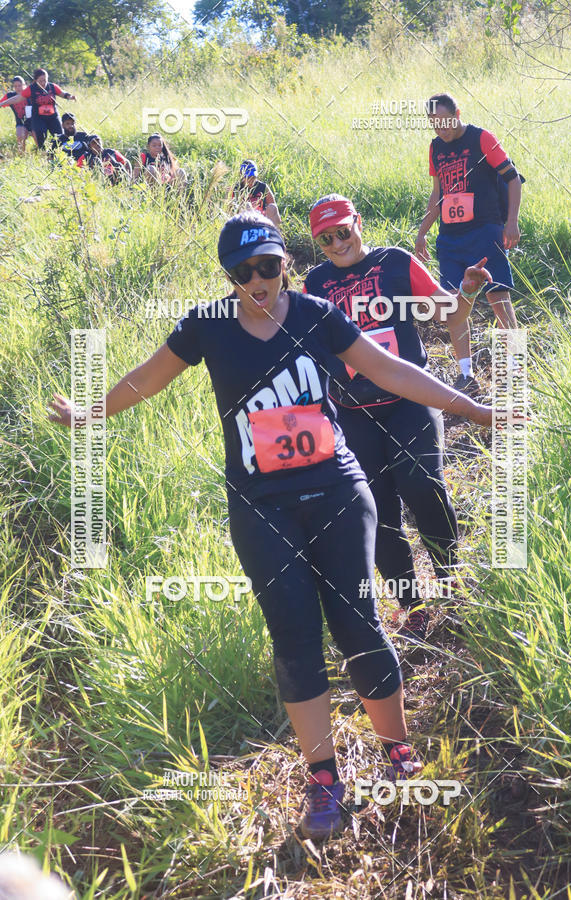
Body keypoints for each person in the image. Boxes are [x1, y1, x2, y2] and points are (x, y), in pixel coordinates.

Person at [49, 212, 492, 841]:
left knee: (356, 619)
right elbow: (146, 378)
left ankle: (396, 752)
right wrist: (90, 413)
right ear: (228, 275)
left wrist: (471, 407)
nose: (259, 280)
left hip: (339, 487)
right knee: (293, 634)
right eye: (243, 271)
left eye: (269, 265)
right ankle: (323, 777)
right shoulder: (206, 326)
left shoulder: (317, 315)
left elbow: (389, 370)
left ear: (286, 261)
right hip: (262, 504)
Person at [305, 194, 492, 640]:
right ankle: (411, 605)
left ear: (358, 223)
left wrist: (466, 290)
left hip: (410, 400)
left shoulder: (395, 263)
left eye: (342, 231)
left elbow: (448, 314)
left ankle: (451, 578)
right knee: (377, 509)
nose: (336, 243)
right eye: (325, 238)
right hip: (353, 412)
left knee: (421, 484)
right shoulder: (314, 283)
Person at [415, 93, 524, 394]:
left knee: (498, 298)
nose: (442, 129)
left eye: (446, 121)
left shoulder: (481, 138)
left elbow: (513, 179)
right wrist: (423, 231)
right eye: (434, 124)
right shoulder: (435, 147)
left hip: (485, 230)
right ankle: (466, 375)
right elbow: (438, 194)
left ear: (458, 113)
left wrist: (511, 221)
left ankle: (514, 367)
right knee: (453, 305)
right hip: (450, 238)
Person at [0, 68, 76, 150]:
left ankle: (60, 153)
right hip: (39, 118)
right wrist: (2, 103)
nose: (43, 83)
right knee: (40, 136)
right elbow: (17, 98)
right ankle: (44, 153)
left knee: (60, 136)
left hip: (53, 117)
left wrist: (70, 96)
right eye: (40, 81)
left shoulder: (52, 86)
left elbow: (62, 93)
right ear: (36, 80)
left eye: (45, 80)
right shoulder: (31, 89)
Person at [230, 160, 281, 227]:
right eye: (248, 177)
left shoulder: (263, 187)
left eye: (253, 177)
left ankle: (274, 234)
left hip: (261, 219)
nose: (251, 180)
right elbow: (229, 212)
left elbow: (274, 210)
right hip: (244, 221)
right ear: (241, 176)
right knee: (247, 205)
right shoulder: (235, 189)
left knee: (272, 207)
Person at [0, 76, 36, 152]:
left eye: (20, 85)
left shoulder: (30, 93)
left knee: (37, 137)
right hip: (21, 122)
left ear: (24, 84)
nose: (18, 88)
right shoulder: (10, 96)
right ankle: (21, 156)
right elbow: (1, 103)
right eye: (15, 86)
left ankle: (41, 152)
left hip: (34, 121)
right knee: (20, 135)